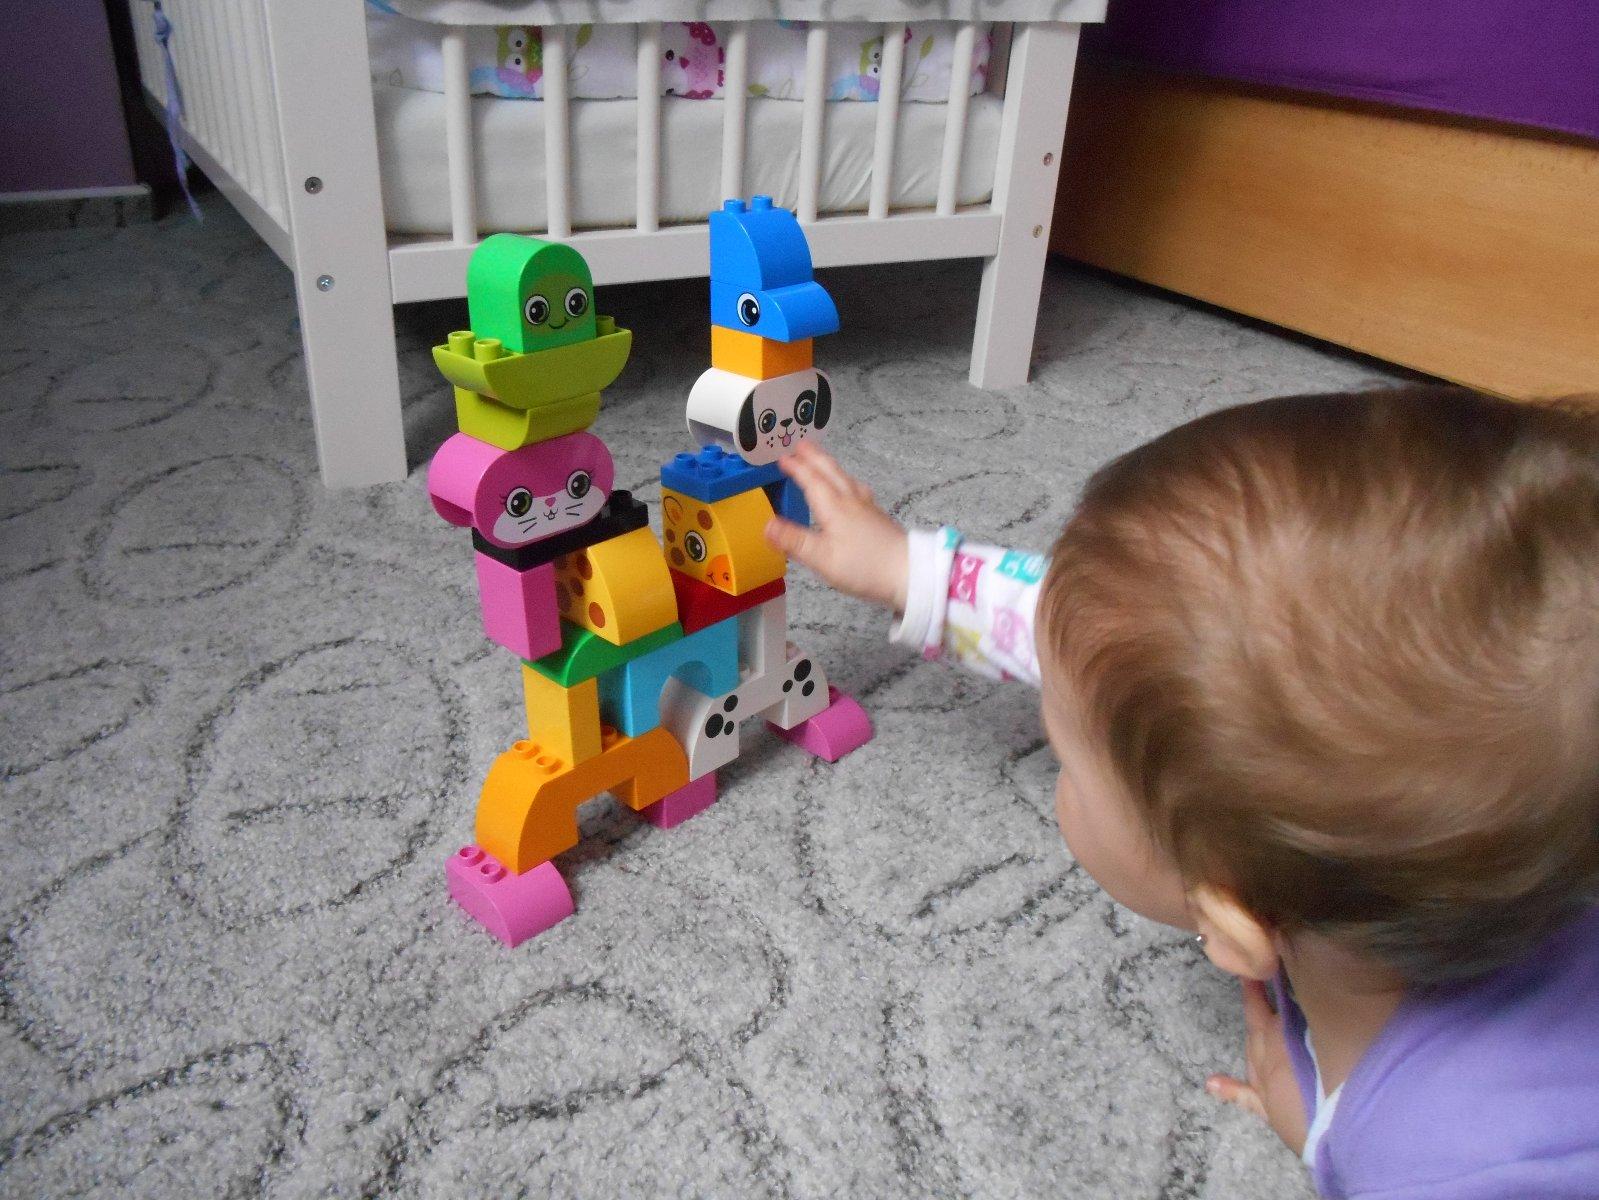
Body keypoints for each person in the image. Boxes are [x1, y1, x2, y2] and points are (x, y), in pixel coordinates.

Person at [765, 386, 1599, 1197]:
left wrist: (1320, 1143)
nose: (1061, 768)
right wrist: (914, 574)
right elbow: (1119, 656)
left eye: (1067, 762)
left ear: (1228, 925)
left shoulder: (1448, 1162)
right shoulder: (1530, 771)